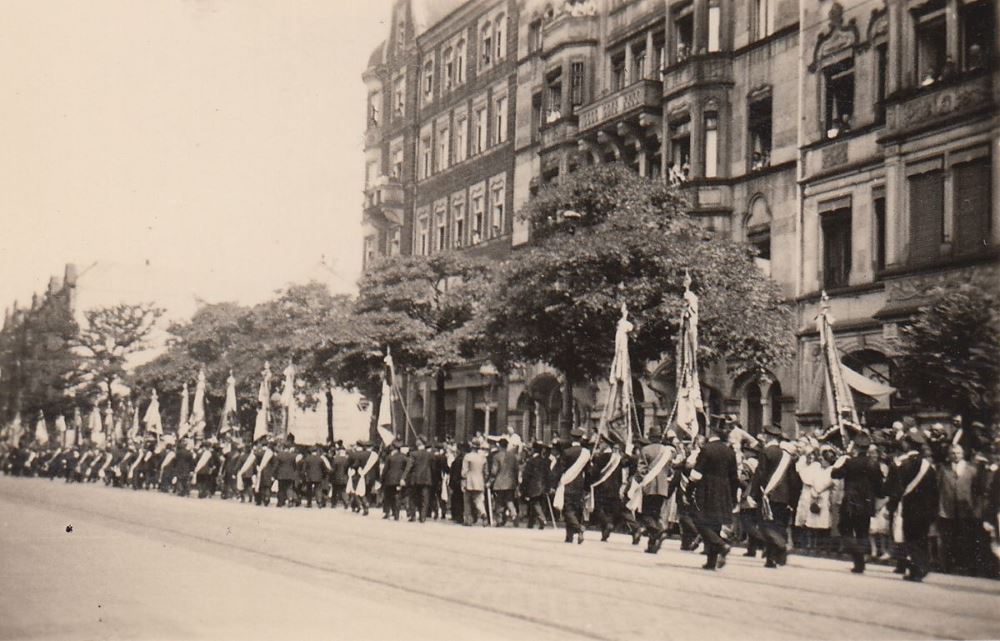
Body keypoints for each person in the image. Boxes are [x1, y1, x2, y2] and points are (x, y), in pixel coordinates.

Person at [886, 429, 938, 582]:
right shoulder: (928, 466)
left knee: (911, 538)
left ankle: (917, 569)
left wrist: (891, 506)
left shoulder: (900, 464)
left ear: (907, 444)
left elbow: (893, 489)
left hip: (908, 507)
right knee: (921, 538)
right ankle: (921, 566)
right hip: (926, 509)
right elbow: (935, 491)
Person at [831, 432, 884, 573]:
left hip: (850, 502)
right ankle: (860, 562)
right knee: (862, 532)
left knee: (844, 528)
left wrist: (843, 460)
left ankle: (857, 555)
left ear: (856, 446)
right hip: (867, 503)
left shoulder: (850, 462)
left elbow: (835, 474)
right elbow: (880, 487)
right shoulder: (874, 464)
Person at [690, 420, 738, 570]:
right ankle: (711, 561)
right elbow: (734, 477)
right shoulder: (730, 451)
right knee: (715, 524)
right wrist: (733, 496)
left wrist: (689, 489)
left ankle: (721, 545)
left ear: (712, 432)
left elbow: (696, 474)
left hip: (706, 489)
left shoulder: (706, 449)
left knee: (700, 521)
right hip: (724, 491)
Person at [751, 424, 801, 568]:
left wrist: (754, 495)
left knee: (765, 525)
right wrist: (792, 499)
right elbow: (793, 479)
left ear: (767, 436)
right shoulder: (786, 455)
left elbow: (760, 474)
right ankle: (776, 557)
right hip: (784, 497)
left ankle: (779, 549)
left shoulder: (766, 452)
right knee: (779, 526)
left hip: (768, 495)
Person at [937, 442, 979, 574]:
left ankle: (968, 567)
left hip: (965, 509)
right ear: (949, 455)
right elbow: (937, 488)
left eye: (958, 453)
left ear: (963, 454)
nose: (955, 455)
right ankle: (946, 566)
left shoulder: (972, 469)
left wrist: (975, 508)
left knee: (966, 539)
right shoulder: (943, 468)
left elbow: (976, 490)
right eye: (952, 453)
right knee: (947, 539)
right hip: (947, 509)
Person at [634, 427, 675, 554]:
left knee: (645, 514)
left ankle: (658, 532)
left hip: (649, 486)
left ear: (651, 437)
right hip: (663, 488)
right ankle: (652, 545)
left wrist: (639, 483)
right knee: (656, 514)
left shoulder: (645, 450)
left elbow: (641, 470)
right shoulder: (666, 451)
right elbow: (670, 470)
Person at [588, 440, 638, 542]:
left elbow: (594, 473)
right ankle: (634, 528)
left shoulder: (602, 457)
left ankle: (607, 525)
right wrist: (628, 452)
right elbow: (632, 462)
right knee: (619, 511)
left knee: (598, 509)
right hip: (616, 489)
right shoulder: (620, 459)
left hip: (602, 488)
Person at [555, 429, 590, 544]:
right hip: (579, 484)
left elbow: (560, 469)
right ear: (580, 439)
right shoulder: (585, 453)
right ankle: (569, 537)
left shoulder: (566, 452)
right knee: (576, 510)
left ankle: (579, 529)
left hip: (567, 484)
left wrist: (557, 482)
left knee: (568, 510)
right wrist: (586, 487)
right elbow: (588, 471)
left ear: (572, 439)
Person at [521, 441, 550, 529]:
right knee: (540, 503)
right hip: (543, 485)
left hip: (533, 485)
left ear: (533, 450)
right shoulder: (546, 461)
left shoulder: (531, 461)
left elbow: (526, 475)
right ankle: (531, 522)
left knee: (534, 503)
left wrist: (523, 487)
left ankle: (542, 518)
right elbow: (548, 474)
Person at [490, 437, 519, 526]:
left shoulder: (497, 456)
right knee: (509, 500)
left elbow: (494, 470)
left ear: (499, 446)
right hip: (510, 482)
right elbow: (516, 470)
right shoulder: (513, 456)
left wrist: (490, 480)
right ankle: (514, 514)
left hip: (499, 482)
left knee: (499, 502)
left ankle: (499, 520)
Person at [405, 439, 435, 522]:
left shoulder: (413, 454)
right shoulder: (430, 455)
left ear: (417, 444)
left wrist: (404, 477)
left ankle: (413, 516)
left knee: (413, 497)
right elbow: (433, 467)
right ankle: (423, 517)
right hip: (426, 479)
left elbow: (409, 466)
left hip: (415, 479)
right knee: (425, 498)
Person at [462, 439, 488, 526]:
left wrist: (463, 479)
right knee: (478, 500)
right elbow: (486, 472)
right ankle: (483, 514)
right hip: (480, 481)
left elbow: (464, 471)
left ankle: (468, 519)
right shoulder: (483, 458)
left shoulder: (467, 456)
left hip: (469, 480)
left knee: (467, 500)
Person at [329, 444, 351, 510]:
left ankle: (333, 504)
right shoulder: (347, 459)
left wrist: (330, 475)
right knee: (343, 490)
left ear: (339, 451)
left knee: (334, 491)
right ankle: (346, 502)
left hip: (336, 477)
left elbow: (333, 469)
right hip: (345, 477)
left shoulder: (335, 459)